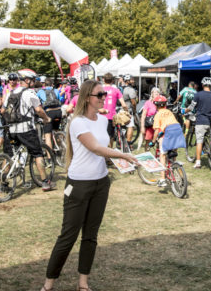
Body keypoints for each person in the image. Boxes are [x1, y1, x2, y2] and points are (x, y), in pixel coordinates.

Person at [41, 80, 138, 291]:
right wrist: (124, 154)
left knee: (91, 235)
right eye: (99, 94)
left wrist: (121, 162)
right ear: (87, 98)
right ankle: (48, 285)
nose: (104, 97)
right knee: (68, 235)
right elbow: (95, 148)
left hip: (101, 183)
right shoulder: (77, 122)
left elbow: (105, 151)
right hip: (78, 184)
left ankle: (83, 284)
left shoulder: (103, 121)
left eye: (104, 93)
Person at [4, 69, 54, 191]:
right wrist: (46, 118)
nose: (33, 82)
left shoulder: (10, 93)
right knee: (37, 153)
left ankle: (3, 183)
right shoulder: (30, 93)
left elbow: (4, 109)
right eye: (32, 80)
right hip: (26, 129)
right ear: (27, 80)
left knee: (9, 156)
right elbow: (38, 110)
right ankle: (45, 182)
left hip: (11, 129)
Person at [152, 94, 186, 186]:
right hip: (178, 130)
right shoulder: (169, 112)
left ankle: (162, 179)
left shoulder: (158, 115)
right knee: (173, 155)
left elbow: (156, 131)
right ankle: (177, 170)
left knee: (162, 155)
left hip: (168, 132)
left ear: (156, 105)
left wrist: (153, 141)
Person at [192, 77, 211, 169]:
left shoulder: (198, 95)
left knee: (199, 141)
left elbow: (192, 106)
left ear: (203, 85)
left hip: (201, 121)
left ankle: (198, 162)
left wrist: (186, 110)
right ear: (210, 85)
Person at [101, 73, 128, 143]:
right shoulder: (116, 90)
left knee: (100, 135)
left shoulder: (100, 90)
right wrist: (126, 111)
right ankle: (109, 151)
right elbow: (124, 104)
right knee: (110, 136)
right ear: (112, 81)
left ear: (103, 80)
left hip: (100, 115)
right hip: (111, 116)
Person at [38, 78, 63, 151]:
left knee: (47, 135)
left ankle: (49, 157)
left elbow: (36, 101)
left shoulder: (40, 91)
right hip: (58, 112)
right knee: (56, 130)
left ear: (44, 84)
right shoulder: (56, 90)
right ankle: (61, 149)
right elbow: (60, 99)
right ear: (52, 84)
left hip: (49, 112)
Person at [140, 88, 159, 152]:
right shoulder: (148, 103)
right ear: (152, 94)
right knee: (148, 141)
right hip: (150, 125)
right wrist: (142, 127)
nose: (156, 93)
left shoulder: (160, 103)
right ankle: (147, 154)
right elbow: (143, 115)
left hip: (158, 125)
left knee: (159, 141)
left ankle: (157, 156)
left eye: (157, 92)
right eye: (155, 92)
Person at [121, 75, 137, 145]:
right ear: (128, 81)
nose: (133, 81)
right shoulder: (130, 90)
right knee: (130, 126)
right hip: (127, 110)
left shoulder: (121, 88)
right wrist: (134, 110)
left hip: (120, 109)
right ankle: (128, 143)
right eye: (132, 80)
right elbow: (133, 102)